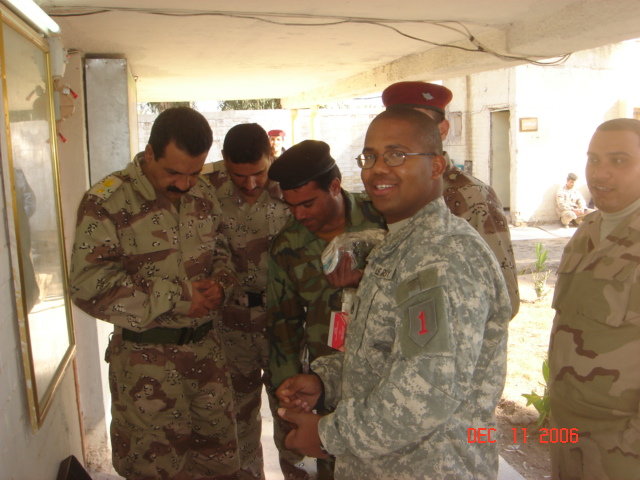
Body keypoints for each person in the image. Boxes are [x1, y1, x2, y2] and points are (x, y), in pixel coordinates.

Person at [276, 107, 511, 479]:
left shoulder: (444, 257)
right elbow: (384, 354)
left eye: (397, 155)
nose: (377, 169)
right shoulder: (399, 245)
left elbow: (426, 391)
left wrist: (326, 434)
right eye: (370, 157)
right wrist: (325, 382)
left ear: (437, 166)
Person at [69, 107, 241, 479]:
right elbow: (87, 285)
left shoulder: (203, 194)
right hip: (146, 364)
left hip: (207, 355)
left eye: (194, 173)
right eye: (173, 172)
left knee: (219, 465)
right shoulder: (108, 202)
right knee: (154, 470)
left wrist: (221, 284)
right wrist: (178, 297)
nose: (184, 184)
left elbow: (223, 251)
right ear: (149, 154)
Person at [266, 140, 386, 479]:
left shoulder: (383, 217)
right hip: (323, 379)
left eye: (307, 203)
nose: (300, 215)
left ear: (334, 186)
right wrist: (289, 390)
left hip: (385, 376)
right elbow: (282, 326)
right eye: (291, 207)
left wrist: (366, 279)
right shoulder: (288, 245)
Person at [548, 118, 640, 479]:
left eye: (619, 161)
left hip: (622, 448)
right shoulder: (589, 229)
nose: (600, 173)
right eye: (594, 159)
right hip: (567, 431)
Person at [382, 81, 520, 317]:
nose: (405, 135)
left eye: (418, 125)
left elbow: (504, 296)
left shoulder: (472, 196)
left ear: (443, 130)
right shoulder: (380, 190)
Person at [202, 123, 291, 479]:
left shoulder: (291, 184)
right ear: (224, 162)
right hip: (230, 325)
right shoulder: (205, 192)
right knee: (237, 419)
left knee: (291, 414)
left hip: (283, 324)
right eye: (240, 176)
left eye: (258, 173)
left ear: (271, 156)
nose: (251, 184)